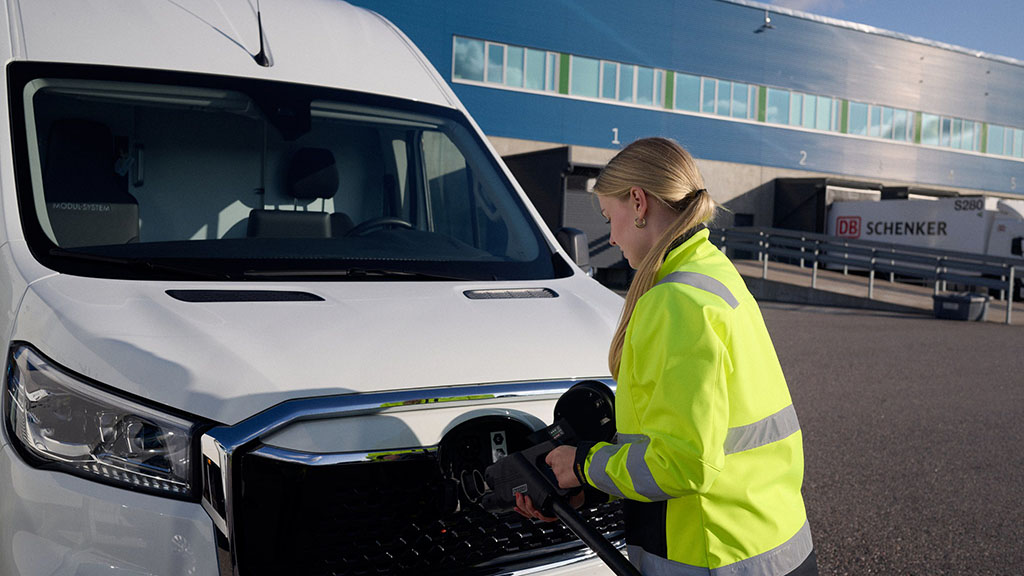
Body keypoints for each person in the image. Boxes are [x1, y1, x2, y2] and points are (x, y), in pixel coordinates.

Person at [515, 137, 817, 575]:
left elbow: (684, 463)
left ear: (638, 202)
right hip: (766, 542)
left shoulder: (675, 301)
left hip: (711, 556)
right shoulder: (711, 269)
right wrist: (588, 487)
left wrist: (582, 464)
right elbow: (682, 437)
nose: (611, 235)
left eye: (608, 216)